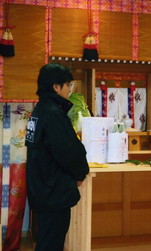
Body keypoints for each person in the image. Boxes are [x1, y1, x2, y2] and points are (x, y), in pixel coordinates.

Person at [25, 63, 90, 251]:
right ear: (56, 87)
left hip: (42, 188)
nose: (70, 90)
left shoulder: (40, 111)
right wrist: (80, 173)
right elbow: (69, 151)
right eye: (68, 85)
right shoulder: (53, 114)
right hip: (53, 190)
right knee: (51, 243)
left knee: (46, 240)